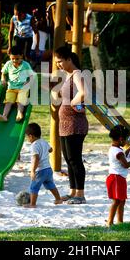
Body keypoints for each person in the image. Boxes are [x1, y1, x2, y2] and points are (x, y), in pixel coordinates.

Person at [53, 46, 89, 205]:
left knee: (75, 159)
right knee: (68, 159)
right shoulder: (68, 76)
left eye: (60, 61)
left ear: (69, 59)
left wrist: (74, 103)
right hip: (65, 124)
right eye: (56, 62)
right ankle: (73, 191)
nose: (58, 65)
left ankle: (80, 195)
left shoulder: (77, 74)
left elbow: (84, 93)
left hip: (75, 123)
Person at [106, 125, 130, 227]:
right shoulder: (119, 152)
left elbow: (120, 158)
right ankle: (109, 222)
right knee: (116, 201)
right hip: (116, 178)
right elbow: (126, 164)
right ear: (121, 139)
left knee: (122, 200)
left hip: (119, 178)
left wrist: (126, 152)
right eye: (126, 139)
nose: (126, 142)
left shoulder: (115, 149)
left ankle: (120, 222)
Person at [24, 122, 63, 208]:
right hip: (48, 169)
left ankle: (32, 204)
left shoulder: (34, 145)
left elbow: (36, 158)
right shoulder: (43, 141)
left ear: (31, 136)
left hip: (40, 170)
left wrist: (33, 171)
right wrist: (45, 151)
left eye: (27, 137)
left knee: (33, 187)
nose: (27, 139)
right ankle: (58, 199)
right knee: (50, 184)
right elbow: (51, 149)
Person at [0, 45, 34, 122]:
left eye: (17, 59)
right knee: (8, 102)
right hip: (11, 88)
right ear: (10, 57)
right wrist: (3, 79)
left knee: (20, 101)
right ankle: (4, 116)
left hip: (22, 88)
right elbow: (3, 72)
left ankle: (19, 113)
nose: (14, 60)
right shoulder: (8, 64)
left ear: (22, 56)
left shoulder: (25, 65)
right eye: (12, 58)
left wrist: (27, 83)